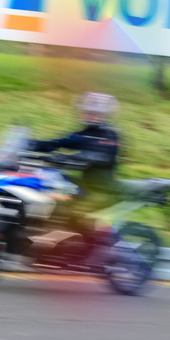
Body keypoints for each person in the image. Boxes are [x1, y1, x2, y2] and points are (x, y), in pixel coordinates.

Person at [30, 91, 122, 256]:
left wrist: (64, 158)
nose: (89, 115)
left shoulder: (110, 135)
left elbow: (95, 157)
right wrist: (31, 145)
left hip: (102, 190)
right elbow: (58, 142)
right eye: (87, 111)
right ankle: (39, 229)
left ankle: (75, 246)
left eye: (94, 113)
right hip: (85, 186)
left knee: (71, 207)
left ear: (104, 115)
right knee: (47, 183)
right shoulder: (84, 134)